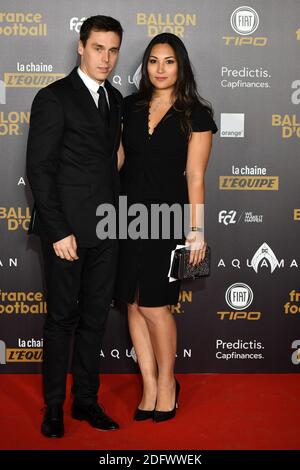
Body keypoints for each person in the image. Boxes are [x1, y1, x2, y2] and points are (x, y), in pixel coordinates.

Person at [26, 15, 123, 438]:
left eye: (113, 50)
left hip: (108, 228)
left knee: (95, 319)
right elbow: (40, 170)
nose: (106, 58)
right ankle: (53, 407)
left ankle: (86, 400)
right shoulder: (54, 97)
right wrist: (58, 229)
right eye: (98, 48)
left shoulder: (116, 98)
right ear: (81, 47)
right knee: (62, 319)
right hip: (66, 233)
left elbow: (111, 160)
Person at [115, 33, 218, 422]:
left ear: (181, 66)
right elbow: (119, 160)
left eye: (169, 61)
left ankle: (169, 382)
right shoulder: (129, 106)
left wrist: (197, 231)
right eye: (153, 61)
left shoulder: (197, 113)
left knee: (156, 306)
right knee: (132, 304)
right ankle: (149, 385)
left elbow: (195, 176)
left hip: (168, 219)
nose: (160, 69)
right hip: (124, 218)